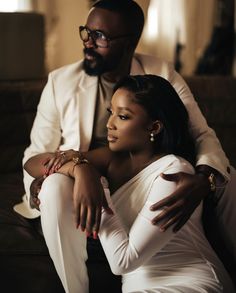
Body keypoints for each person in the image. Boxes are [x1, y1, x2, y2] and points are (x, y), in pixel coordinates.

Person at [14, 0, 235, 277]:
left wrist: (205, 180)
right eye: (86, 31)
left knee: (229, 176)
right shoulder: (60, 81)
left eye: (100, 36)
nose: (88, 42)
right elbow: (35, 152)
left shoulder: (161, 73)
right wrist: (52, 181)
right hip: (80, 173)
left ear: (131, 42)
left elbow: (201, 134)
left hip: (141, 174)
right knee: (53, 186)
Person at [24, 75, 235, 292]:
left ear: (154, 127)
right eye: (111, 112)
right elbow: (33, 163)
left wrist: (99, 186)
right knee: (56, 182)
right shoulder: (112, 159)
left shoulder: (173, 171)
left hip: (190, 282)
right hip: (138, 287)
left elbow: (123, 261)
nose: (110, 124)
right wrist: (79, 169)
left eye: (123, 117)